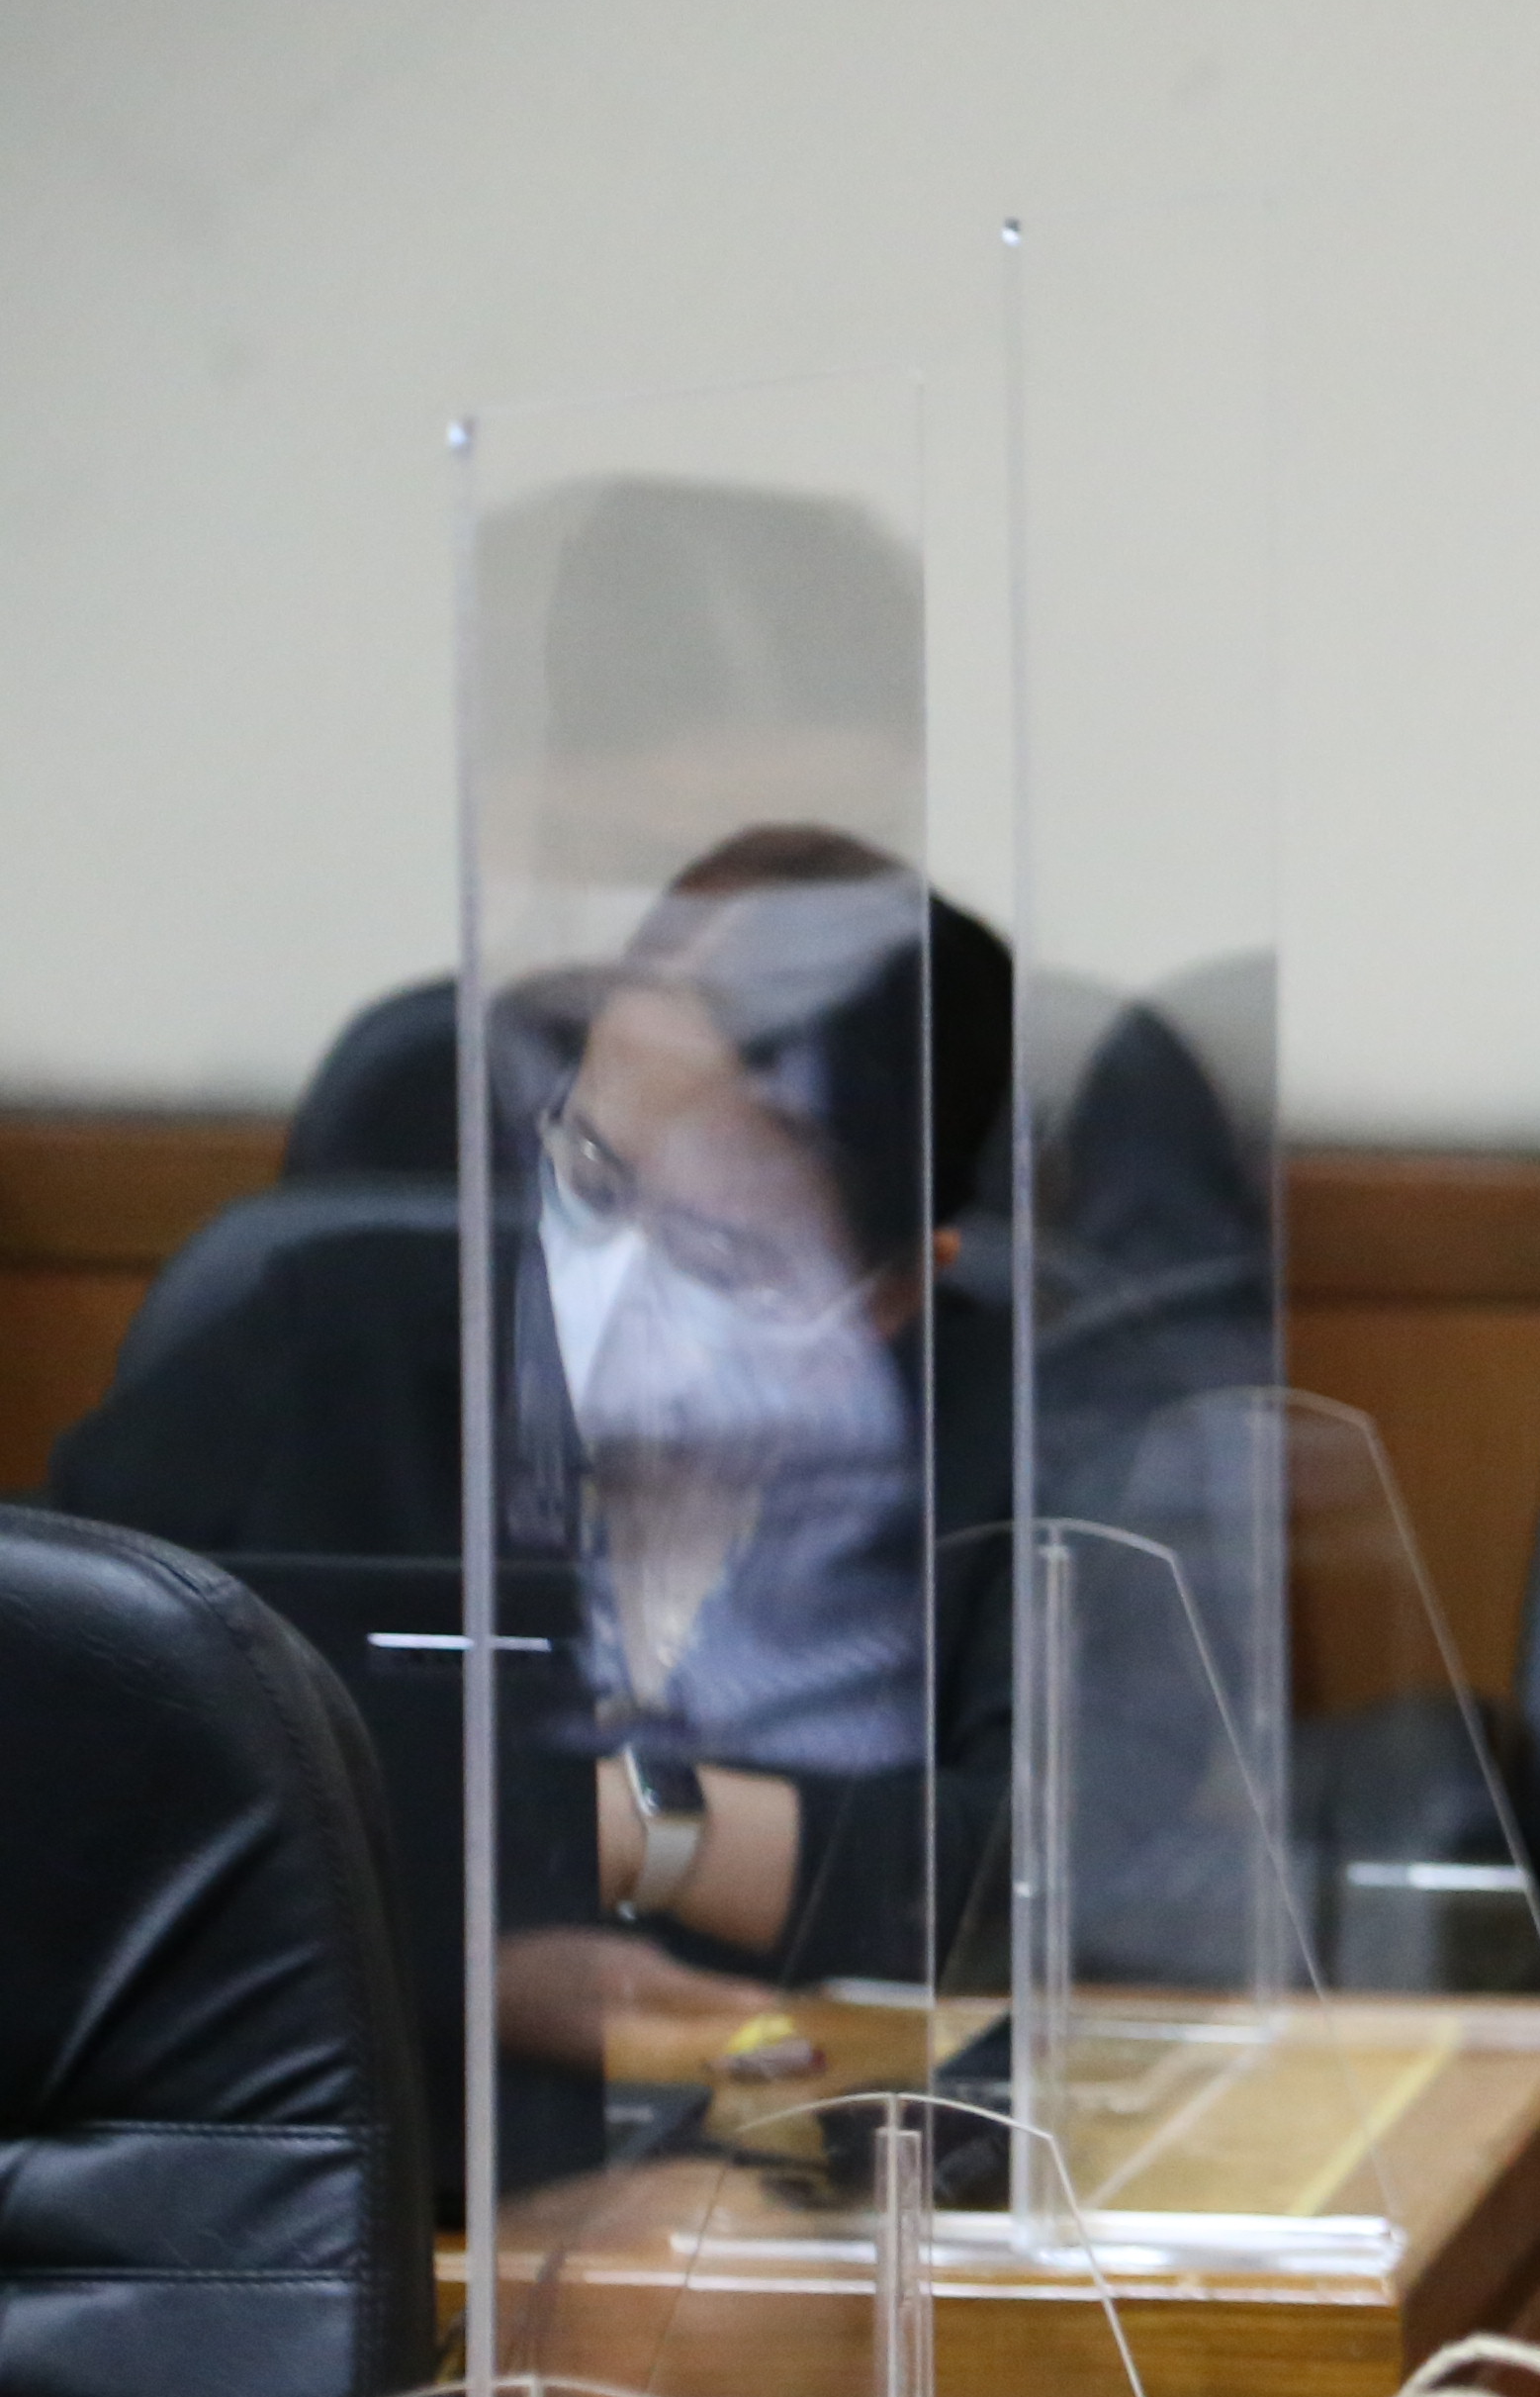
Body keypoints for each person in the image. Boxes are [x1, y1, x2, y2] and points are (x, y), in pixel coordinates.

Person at [58, 825, 1015, 2081]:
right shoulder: (324, 1346)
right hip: (312, 2111)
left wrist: (618, 1826)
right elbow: (60, 1724)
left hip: (827, 2134)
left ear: (890, 1294)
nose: (610, 1291)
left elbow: (1053, 1878)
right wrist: (470, 1955)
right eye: (593, 1176)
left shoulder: (1003, 1444)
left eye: (718, 1251)